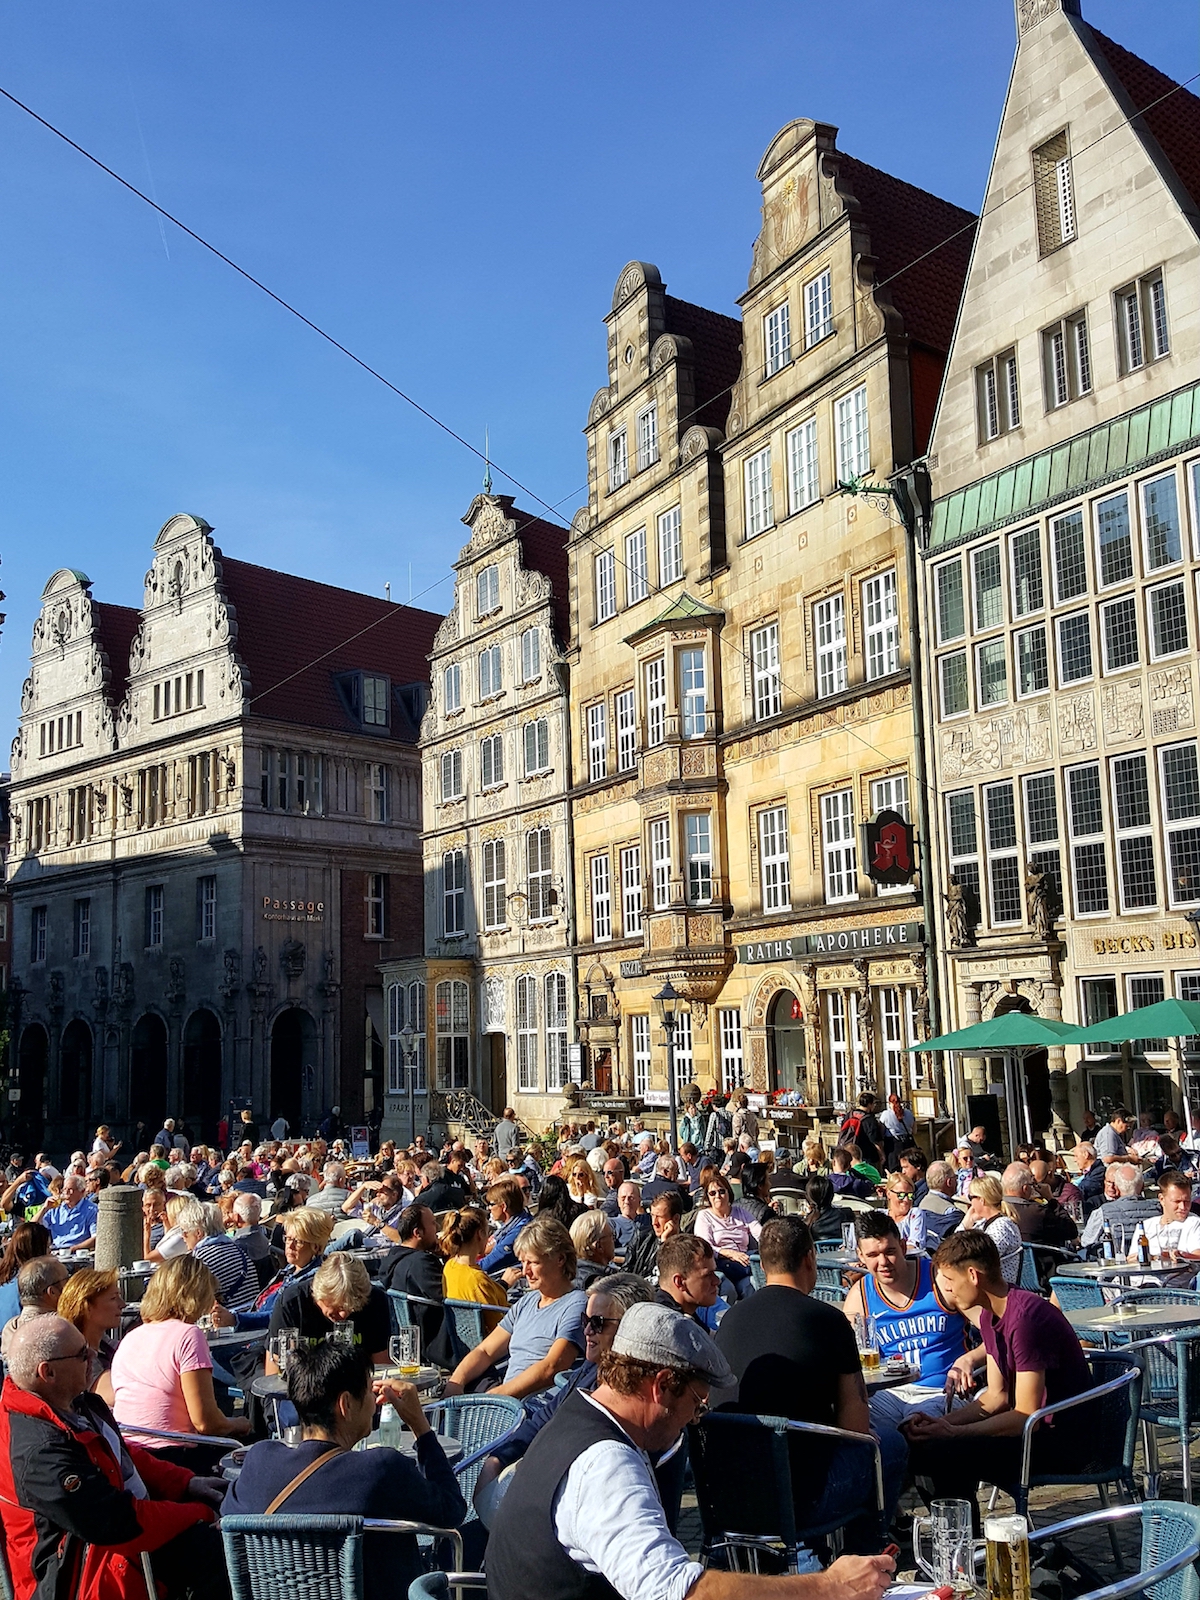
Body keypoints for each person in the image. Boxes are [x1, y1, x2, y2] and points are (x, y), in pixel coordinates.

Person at [487, 1299, 895, 1600]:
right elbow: (678, 1593)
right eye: (696, 1403)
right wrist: (827, 1586)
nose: (695, 1418)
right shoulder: (606, 1463)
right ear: (662, 1385)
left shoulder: (575, 1416)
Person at [0, 1315, 228, 1600]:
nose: (94, 1356)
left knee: (221, 1538)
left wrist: (186, 1483)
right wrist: (198, 1512)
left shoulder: (72, 1404)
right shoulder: (39, 1451)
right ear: (48, 1373)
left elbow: (119, 1455)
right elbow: (118, 1523)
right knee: (219, 1550)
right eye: (83, 1354)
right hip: (74, 1576)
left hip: (109, 1546)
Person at [717, 1216, 906, 1550]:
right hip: (802, 1500)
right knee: (888, 1445)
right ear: (809, 1259)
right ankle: (862, 1559)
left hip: (730, 1496)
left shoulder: (730, 1319)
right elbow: (857, 1427)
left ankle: (815, 1556)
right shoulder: (828, 1320)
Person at [224, 1340, 464, 1600]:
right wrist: (420, 1426)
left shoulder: (259, 1462)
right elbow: (452, 1509)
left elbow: (227, 1515)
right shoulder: (380, 1470)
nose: (374, 1402)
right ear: (346, 1404)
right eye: (369, 1392)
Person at [903, 1231, 1095, 1521]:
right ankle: (959, 1545)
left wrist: (954, 1432)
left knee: (943, 1453)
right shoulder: (989, 1315)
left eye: (950, 1281)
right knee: (925, 1445)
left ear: (973, 1275)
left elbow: (1025, 1415)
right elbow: (995, 1397)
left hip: (1064, 1441)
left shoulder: (1025, 1319)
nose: (947, 1292)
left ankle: (961, 1550)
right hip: (1034, 1432)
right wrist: (939, 1424)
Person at [475, 1274, 655, 1507]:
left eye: (597, 1323)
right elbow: (545, 1416)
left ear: (630, 1328)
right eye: (585, 1320)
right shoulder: (591, 1368)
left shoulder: (634, 1395)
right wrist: (499, 1457)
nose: (587, 1331)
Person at [110, 1256, 251, 1467]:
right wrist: (239, 1423)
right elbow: (205, 1422)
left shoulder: (131, 1336)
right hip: (173, 1453)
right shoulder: (188, 1335)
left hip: (128, 1451)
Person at [842, 1212, 979, 1429]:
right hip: (888, 1394)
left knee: (918, 1428)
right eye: (873, 1255)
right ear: (860, 1256)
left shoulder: (940, 1279)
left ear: (904, 1246)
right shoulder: (860, 1296)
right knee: (856, 1428)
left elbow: (997, 1332)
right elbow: (845, 1356)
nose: (883, 1262)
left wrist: (970, 1359)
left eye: (890, 1251)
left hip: (939, 1389)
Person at [444, 1215, 586, 1399]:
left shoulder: (576, 1304)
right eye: (523, 1262)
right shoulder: (528, 1301)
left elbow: (552, 1367)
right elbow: (485, 1351)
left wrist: (496, 1397)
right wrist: (456, 1382)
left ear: (560, 1259)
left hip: (539, 1406)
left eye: (534, 1262)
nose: (525, 1271)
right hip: (508, 1400)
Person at [269, 1255, 391, 1366]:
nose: (343, 1315)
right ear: (319, 1294)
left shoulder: (375, 1300)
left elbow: (381, 1366)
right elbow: (274, 1373)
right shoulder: (292, 1303)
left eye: (352, 1308)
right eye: (337, 1306)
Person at [1124, 1169, 1200, 1285]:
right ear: (1162, 1199)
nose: (1182, 1207)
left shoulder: (1193, 1222)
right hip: (1137, 1285)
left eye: (1187, 1201)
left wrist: (1181, 1255)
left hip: (1170, 1288)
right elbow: (1132, 1259)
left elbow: (1197, 1255)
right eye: (1177, 1201)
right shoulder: (1146, 1225)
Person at [693, 1172, 761, 1299]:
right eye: (712, 1193)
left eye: (722, 1191)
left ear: (729, 1193)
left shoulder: (741, 1213)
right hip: (718, 1266)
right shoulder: (704, 1216)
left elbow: (760, 1234)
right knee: (727, 1290)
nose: (718, 1196)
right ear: (708, 1197)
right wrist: (730, 1253)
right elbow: (705, 1247)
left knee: (753, 1285)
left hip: (743, 1266)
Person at [440, 1208, 508, 1332]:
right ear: (479, 1234)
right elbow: (498, 1327)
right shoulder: (477, 1279)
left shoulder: (449, 1266)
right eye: (487, 1232)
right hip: (491, 1345)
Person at [57, 1267, 124, 1385]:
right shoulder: (78, 1356)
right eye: (113, 1298)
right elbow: (109, 1393)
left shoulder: (104, 1343)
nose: (122, 1304)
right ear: (87, 1307)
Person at [1078, 1162, 1160, 1253]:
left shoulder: (1102, 1212)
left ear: (1117, 1188)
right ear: (1142, 1187)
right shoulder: (1158, 1209)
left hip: (1115, 1261)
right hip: (1150, 1261)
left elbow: (1086, 1241)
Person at [1, 1258, 70, 1359]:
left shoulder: (10, 1329)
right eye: (67, 1280)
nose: (72, 1285)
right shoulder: (62, 1329)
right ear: (52, 1292)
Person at [961, 1174, 1023, 1284]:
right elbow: (955, 1249)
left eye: (971, 1197)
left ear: (981, 1200)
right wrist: (966, 1224)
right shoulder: (982, 1223)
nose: (970, 1202)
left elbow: (980, 1259)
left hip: (996, 1288)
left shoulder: (1002, 1226)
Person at [1000, 1162, 1077, 1249]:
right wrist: (1051, 1199)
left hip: (1011, 1261)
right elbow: (1071, 1231)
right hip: (1046, 1260)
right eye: (1032, 1184)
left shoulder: (996, 1210)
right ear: (1025, 1189)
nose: (1034, 1187)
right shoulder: (1038, 1212)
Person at [625, 1189, 685, 1280]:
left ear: (675, 1219)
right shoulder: (641, 1237)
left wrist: (665, 1243)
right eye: (652, 1215)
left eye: (659, 1217)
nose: (654, 1222)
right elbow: (625, 1272)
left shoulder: (687, 1248)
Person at [0, 1222, 52, 1327]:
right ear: (38, 1250)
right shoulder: (31, 1283)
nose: (50, 1252)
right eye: (47, 1248)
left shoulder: (6, 1275)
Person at [479, 1177, 532, 1274]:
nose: (489, 1208)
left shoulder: (519, 1231)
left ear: (503, 1206)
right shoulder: (513, 1224)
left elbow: (487, 1265)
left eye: (491, 1204)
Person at [38, 1174, 98, 1254]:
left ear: (82, 1191)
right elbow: (32, 1227)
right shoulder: (55, 1208)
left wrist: (73, 1249)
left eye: (70, 1190)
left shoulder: (92, 1210)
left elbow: (96, 1237)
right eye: (64, 1189)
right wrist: (44, 1209)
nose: (66, 1193)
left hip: (77, 1253)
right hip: (55, 1251)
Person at [916, 1162, 961, 1246]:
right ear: (949, 1182)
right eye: (955, 1177)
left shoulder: (921, 1204)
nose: (957, 1181)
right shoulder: (951, 1212)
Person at [840, 1093, 885, 1174]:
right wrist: (881, 1154)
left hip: (850, 1153)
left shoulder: (849, 1115)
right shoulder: (869, 1120)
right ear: (870, 1104)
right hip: (867, 1155)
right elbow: (875, 1140)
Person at [884, 1176, 929, 1254]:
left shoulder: (915, 1214)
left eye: (910, 1195)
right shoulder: (881, 1215)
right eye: (901, 1195)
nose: (906, 1200)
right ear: (888, 1193)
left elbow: (915, 1246)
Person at [805, 1176, 857, 1242]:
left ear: (808, 1198)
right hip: (842, 1251)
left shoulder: (807, 1224)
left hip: (818, 1252)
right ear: (832, 1195)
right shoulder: (846, 1214)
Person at [610, 1181, 647, 1259]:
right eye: (623, 1198)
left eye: (631, 1198)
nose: (627, 1202)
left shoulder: (648, 1220)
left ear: (639, 1200)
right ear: (618, 1201)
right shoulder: (611, 1223)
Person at [1072, 1141, 1107, 1215]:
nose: (1074, 1160)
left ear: (1086, 1155)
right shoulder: (1089, 1172)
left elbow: (1084, 1189)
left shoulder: (1099, 1172)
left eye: (1076, 1156)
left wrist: (1069, 1191)